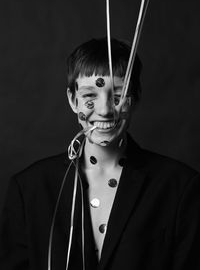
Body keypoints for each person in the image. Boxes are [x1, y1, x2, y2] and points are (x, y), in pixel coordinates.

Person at [0, 37, 200, 270]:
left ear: (135, 99)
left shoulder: (180, 187)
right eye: (89, 96)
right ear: (73, 100)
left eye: (117, 96)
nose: (105, 111)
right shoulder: (29, 188)